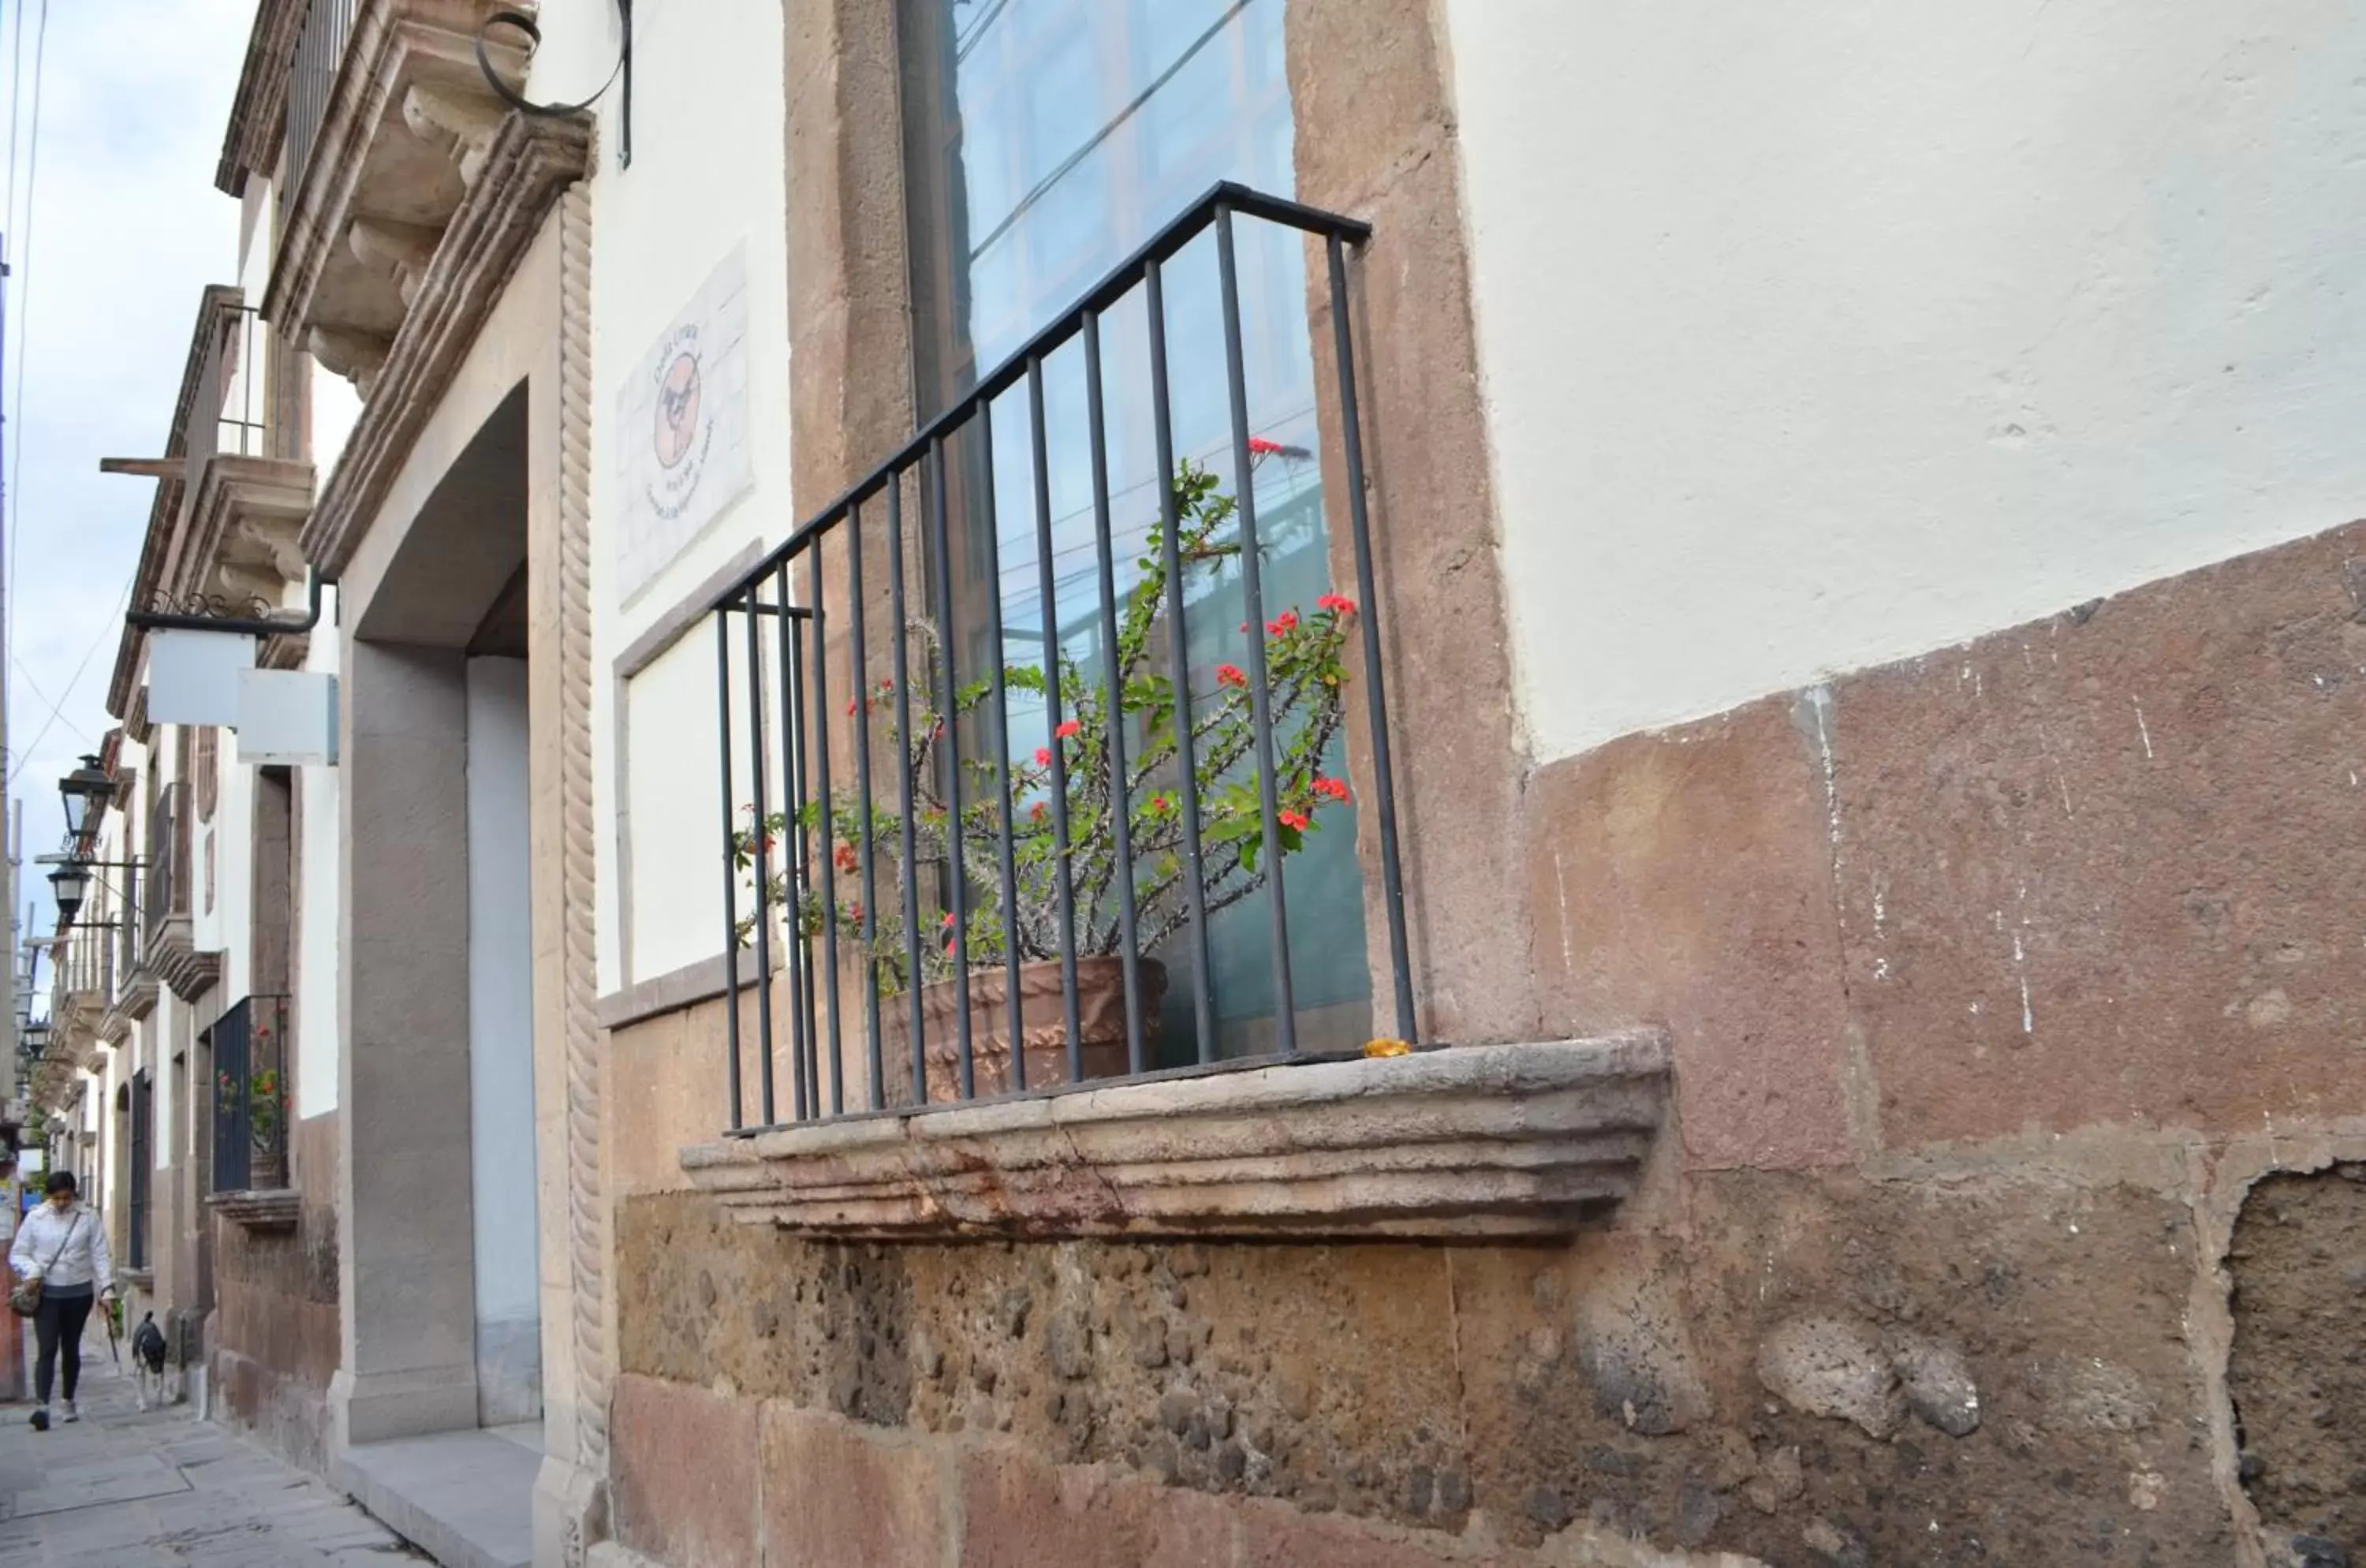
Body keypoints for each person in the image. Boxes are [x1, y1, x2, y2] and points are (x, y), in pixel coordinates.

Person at [9, 1170, 113, 1431]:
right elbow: (18, 1254)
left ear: (74, 1194)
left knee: (70, 1347)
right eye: (57, 1199)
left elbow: (100, 1254)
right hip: (48, 1293)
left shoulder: (88, 1217)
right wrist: (32, 1272)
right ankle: (42, 1406)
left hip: (79, 1292)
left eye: (67, 1198)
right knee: (46, 1348)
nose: (62, 1203)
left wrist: (107, 1290)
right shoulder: (36, 1218)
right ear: (49, 1197)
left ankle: (68, 1399)